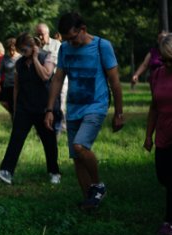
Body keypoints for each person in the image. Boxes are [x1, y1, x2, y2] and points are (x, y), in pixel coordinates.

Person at [44, 12, 124, 210]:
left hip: (96, 105)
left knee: (80, 146)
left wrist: (119, 112)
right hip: (74, 107)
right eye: (67, 39)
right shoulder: (65, 49)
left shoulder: (101, 46)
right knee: (77, 158)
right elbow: (58, 78)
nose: (72, 42)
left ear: (83, 29)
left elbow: (114, 81)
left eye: (74, 37)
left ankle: (98, 185)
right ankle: (90, 201)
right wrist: (49, 109)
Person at [0, 33, 61, 185]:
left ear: (34, 47)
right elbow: (17, 86)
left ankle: (54, 172)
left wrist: (35, 59)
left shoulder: (47, 57)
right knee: (16, 139)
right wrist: (16, 109)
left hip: (44, 108)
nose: (22, 53)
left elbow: (45, 76)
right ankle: (6, 171)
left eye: (25, 49)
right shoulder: (20, 63)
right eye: (20, 50)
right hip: (25, 107)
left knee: (48, 141)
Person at [144, 33, 172, 235]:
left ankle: (168, 222)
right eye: (164, 59)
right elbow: (154, 107)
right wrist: (148, 135)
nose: (167, 63)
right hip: (163, 134)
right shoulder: (158, 75)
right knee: (163, 176)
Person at [36, 23, 65, 135]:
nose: (40, 37)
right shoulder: (37, 45)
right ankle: (44, 128)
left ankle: (60, 128)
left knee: (60, 105)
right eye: (38, 34)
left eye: (42, 34)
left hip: (58, 78)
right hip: (43, 81)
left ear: (47, 33)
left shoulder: (56, 44)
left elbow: (55, 62)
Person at [0, 38, 21, 117]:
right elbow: (0, 72)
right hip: (7, 85)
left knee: (16, 104)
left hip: (17, 85)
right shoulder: (5, 58)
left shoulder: (21, 58)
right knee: (5, 103)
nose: (11, 52)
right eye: (9, 50)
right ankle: (13, 115)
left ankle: (16, 119)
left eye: (13, 49)